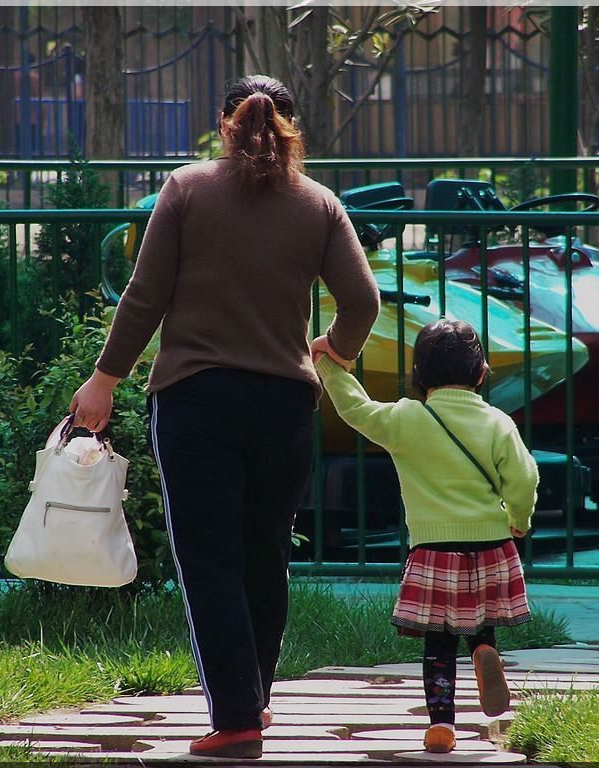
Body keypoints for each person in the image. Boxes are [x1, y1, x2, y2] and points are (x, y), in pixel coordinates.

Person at [68, 74, 380, 760]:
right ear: (294, 127)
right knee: (264, 557)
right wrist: (336, 349)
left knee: (209, 558)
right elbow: (362, 302)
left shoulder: (185, 190)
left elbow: (145, 298)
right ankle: (253, 702)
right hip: (285, 404)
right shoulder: (320, 205)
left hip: (196, 400)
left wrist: (103, 380)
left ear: (221, 123)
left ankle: (236, 715)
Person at [311, 318, 539, 755]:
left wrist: (329, 366)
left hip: (434, 548)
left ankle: (441, 726)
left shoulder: (406, 418)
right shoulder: (497, 422)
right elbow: (524, 477)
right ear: (480, 372)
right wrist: (519, 519)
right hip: (491, 542)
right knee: (480, 618)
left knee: (438, 638)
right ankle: (484, 650)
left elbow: (356, 409)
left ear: (418, 376)